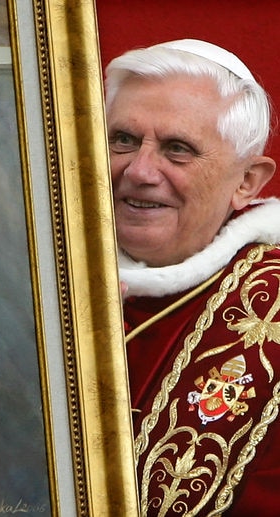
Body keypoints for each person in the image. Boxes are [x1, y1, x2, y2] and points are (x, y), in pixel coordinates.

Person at [106, 39, 280, 515]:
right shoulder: (27, 276)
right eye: (122, 139)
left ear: (246, 182)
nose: (140, 171)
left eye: (177, 149)